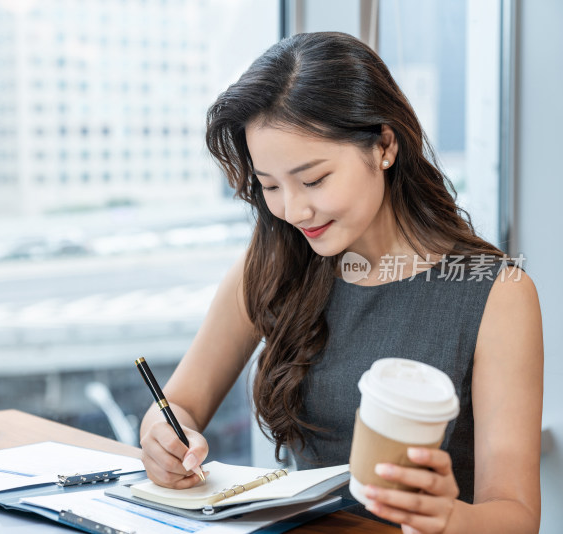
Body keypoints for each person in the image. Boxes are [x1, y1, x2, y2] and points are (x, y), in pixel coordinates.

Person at [138, 32, 542, 534]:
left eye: (313, 180)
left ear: (384, 146)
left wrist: (448, 518)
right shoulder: (271, 262)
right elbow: (179, 403)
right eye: (269, 186)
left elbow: (518, 517)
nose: (292, 210)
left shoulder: (496, 292)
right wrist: (162, 434)